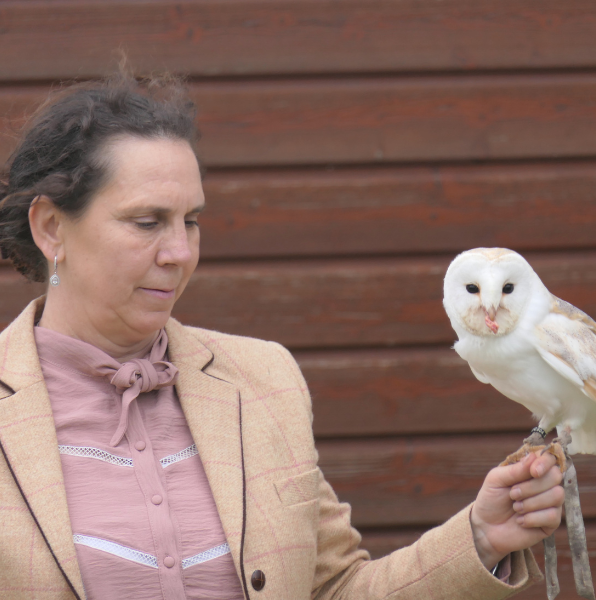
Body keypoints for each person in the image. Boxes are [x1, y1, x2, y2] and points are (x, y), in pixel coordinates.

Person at [0, 73, 564, 600]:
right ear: (51, 227)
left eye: (190, 221)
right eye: (147, 222)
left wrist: (482, 537)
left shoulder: (263, 380)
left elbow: (335, 589)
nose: (179, 253)